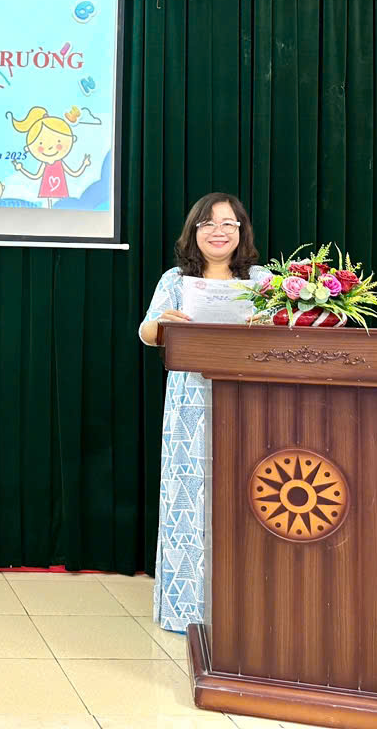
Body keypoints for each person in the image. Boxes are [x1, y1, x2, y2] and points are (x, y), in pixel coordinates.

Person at [138, 192, 269, 634]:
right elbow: (146, 332)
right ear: (193, 232)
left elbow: (287, 332)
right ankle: (187, 611)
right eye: (208, 223)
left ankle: (245, 610)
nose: (219, 231)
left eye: (228, 223)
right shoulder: (176, 279)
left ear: (241, 231)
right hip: (190, 404)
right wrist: (164, 324)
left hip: (250, 402)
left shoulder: (262, 281)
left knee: (245, 497)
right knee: (189, 499)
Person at [8, 106, 92, 207]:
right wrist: (21, 169)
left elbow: (74, 173)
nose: (50, 148)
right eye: (41, 144)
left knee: (61, 205)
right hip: (48, 193)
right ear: (29, 148)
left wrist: (84, 164)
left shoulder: (59, 163)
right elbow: (35, 176)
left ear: (71, 139)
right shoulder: (45, 164)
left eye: (59, 141)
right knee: (50, 206)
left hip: (61, 193)